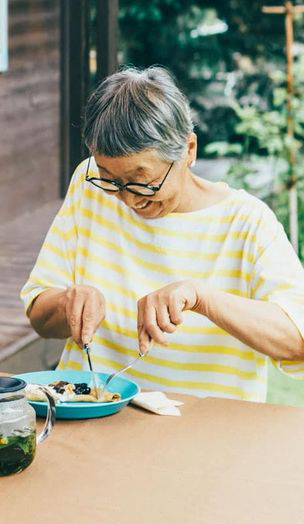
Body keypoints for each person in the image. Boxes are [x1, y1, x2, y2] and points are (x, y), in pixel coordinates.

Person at [21, 66, 304, 401]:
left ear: (189, 150)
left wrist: (202, 297)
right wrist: (68, 302)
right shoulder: (89, 185)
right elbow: (40, 316)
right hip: (92, 414)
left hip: (207, 434)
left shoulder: (247, 222)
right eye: (110, 179)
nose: (127, 199)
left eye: (143, 180)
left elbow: (296, 340)